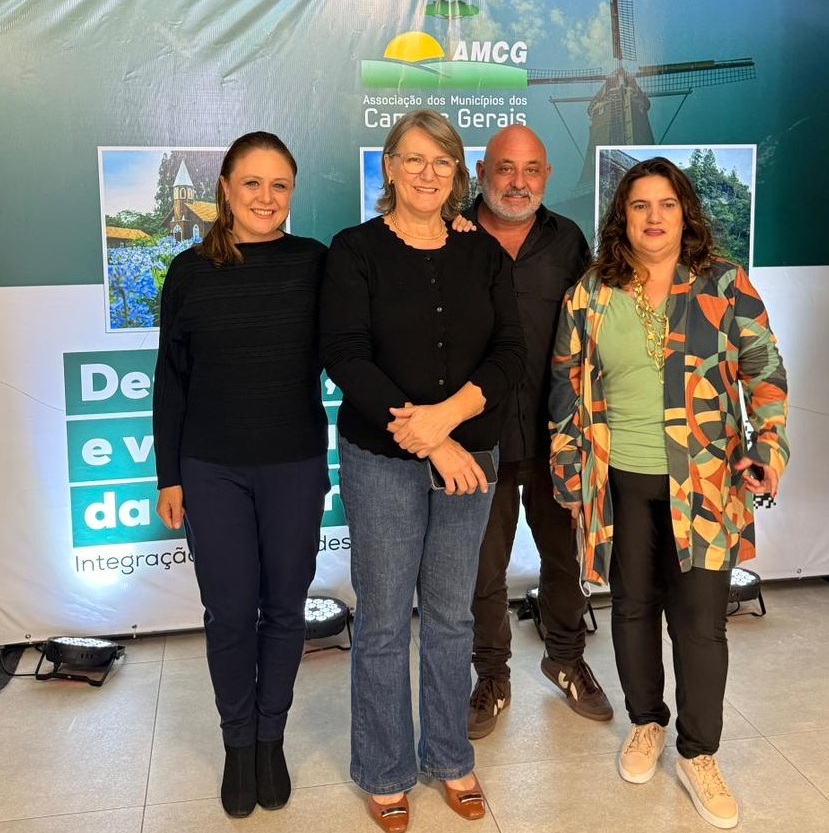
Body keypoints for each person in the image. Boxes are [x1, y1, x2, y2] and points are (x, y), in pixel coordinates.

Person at [549, 157, 788, 829]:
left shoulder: (723, 284)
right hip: (618, 481)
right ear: (620, 218)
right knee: (631, 608)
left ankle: (697, 752)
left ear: (685, 213)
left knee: (700, 622)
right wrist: (568, 472)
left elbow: (764, 370)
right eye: (639, 205)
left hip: (705, 484)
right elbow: (566, 384)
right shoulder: (591, 292)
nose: (653, 217)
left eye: (666, 204)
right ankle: (645, 722)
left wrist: (768, 447)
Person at [320, 110, 526, 832]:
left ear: (457, 173)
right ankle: (383, 770)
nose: (427, 173)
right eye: (413, 159)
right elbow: (345, 355)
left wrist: (451, 417)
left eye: (442, 161)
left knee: (449, 612)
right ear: (389, 167)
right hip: (383, 459)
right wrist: (432, 440)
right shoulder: (354, 251)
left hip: (473, 456)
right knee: (382, 619)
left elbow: (509, 353)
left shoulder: (483, 253)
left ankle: (449, 755)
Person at [152, 132, 330, 818]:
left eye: (279, 184)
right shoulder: (188, 271)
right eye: (251, 183)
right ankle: (236, 741)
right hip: (210, 468)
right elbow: (170, 379)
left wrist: (453, 226)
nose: (265, 197)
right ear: (224, 188)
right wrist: (169, 475)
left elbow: (380, 287)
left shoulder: (315, 263)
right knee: (228, 612)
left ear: (292, 192)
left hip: (294, 464)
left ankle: (269, 737)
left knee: (285, 607)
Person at [464, 124, 613, 739]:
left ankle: (567, 660)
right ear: (482, 173)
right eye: (505, 168)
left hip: (559, 436)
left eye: (531, 170)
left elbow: (595, 333)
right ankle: (491, 677)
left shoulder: (568, 240)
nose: (518, 183)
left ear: (546, 176)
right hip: (477, 440)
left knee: (563, 558)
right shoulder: (450, 236)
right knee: (482, 569)